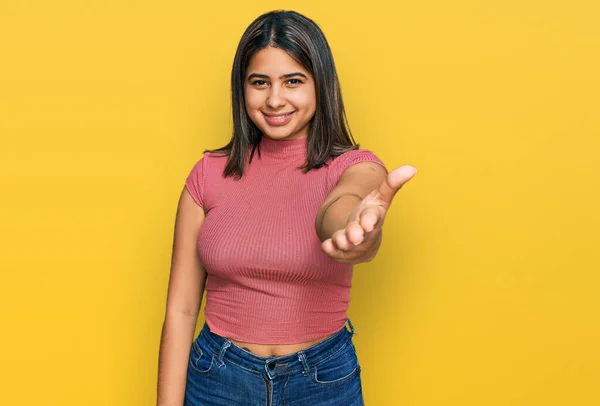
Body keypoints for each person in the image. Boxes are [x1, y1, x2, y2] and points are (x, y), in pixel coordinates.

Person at [157, 9, 417, 406]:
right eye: (259, 83)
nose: (275, 99)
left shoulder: (354, 167)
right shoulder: (206, 174)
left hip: (322, 380)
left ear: (321, 86)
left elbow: (343, 205)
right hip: (218, 378)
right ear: (241, 89)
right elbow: (181, 308)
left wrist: (355, 230)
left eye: (293, 81)